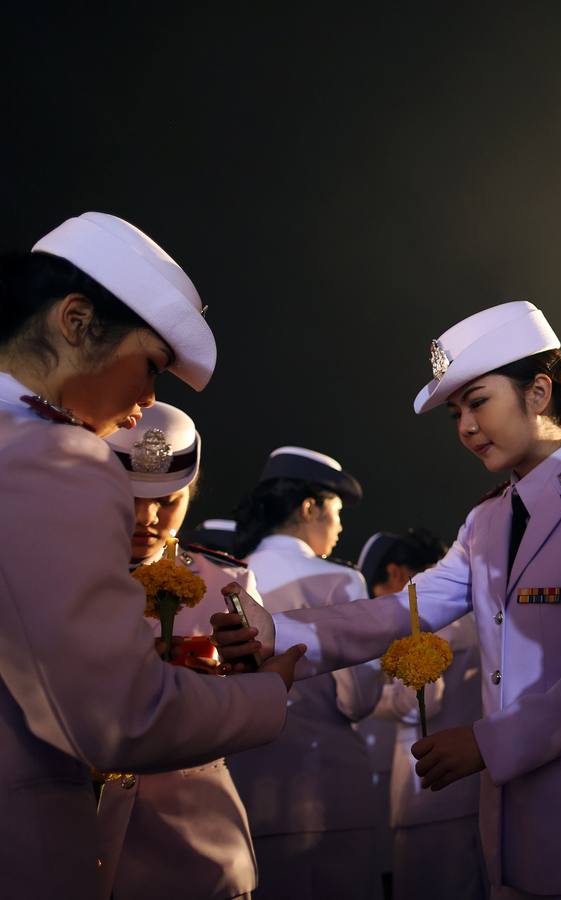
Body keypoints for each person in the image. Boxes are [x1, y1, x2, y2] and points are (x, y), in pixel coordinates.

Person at [216, 301, 561, 899]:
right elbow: (402, 610)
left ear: (540, 392)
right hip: (508, 825)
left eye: (477, 402)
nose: (466, 428)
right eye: (456, 413)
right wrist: (277, 634)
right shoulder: (487, 520)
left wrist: (488, 741)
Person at [0, 212, 301, 898]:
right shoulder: (51, 457)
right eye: (151, 368)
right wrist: (267, 692)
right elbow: (120, 718)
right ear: (75, 321)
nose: (143, 408)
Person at [101, 402, 260, 900]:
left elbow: (259, 707)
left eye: (168, 501)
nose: (146, 518)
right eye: (126, 499)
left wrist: (243, 676)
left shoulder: (227, 585)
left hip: (194, 846)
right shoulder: (45, 567)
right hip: (66, 839)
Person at [227, 447, 384, 899]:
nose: (339, 526)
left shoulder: (226, 576)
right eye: (335, 511)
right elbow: (358, 699)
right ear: (309, 506)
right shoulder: (341, 581)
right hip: (328, 785)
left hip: (247, 784)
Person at [357, 528, 481, 900]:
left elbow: (418, 704)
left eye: (378, 594)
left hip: (426, 788)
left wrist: (368, 700)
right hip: (474, 785)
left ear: (396, 575)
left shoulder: (422, 616)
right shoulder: (474, 612)